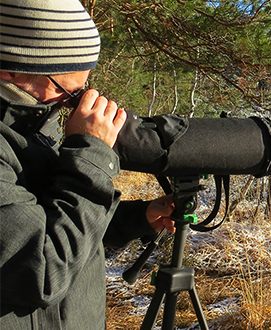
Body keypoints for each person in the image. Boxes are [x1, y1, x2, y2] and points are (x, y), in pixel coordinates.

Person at [0, 0, 176, 328]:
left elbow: (52, 216)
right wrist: (91, 153)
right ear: (12, 68)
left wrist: (136, 218)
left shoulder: (32, 121)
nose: (75, 103)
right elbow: (40, 270)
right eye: (69, 92)